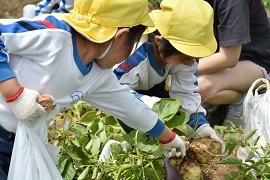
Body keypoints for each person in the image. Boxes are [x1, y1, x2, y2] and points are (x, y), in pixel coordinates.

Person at [0, 0, 189, 179]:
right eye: (131, 46)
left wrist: (168, 138)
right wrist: (14, 94)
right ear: (121, 36)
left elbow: (131, 108)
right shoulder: (55, 34)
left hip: (15, 143)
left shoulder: (98, 75)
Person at [113, 0, 223, 144]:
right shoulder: (134, 55)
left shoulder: (184, 57)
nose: (189, 63)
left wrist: (201, 125)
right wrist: (155, 107)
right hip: (123, 93)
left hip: (153, 87)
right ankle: (126, 147)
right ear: (159, 41)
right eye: (184, 58)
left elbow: (186, 93)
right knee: (145, 139)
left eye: (193, 57)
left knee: (173, 122)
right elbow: (117, 93)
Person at [198, 0, 270, 126]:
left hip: (256, 62)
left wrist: (181, 68)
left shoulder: (233, 2)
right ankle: (220, 102)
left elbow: (228, 58)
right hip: (222, 60)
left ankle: (242, 103)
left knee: (199, 86)